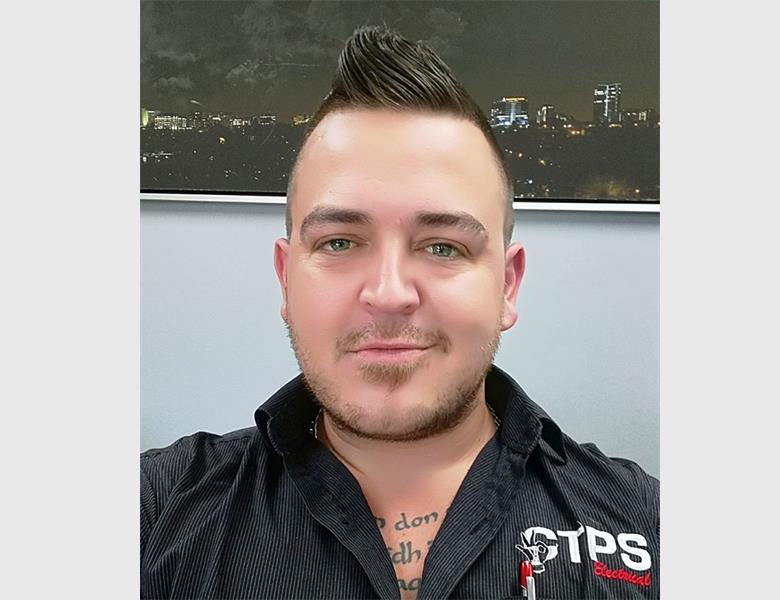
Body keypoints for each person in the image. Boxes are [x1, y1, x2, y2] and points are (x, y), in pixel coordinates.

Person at [141, 26, 659, 600]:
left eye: (443, 247)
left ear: (507, 286)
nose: (389, 294)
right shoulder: (158, 511)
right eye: (339, 242)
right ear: (286, 279)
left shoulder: (647, 527)